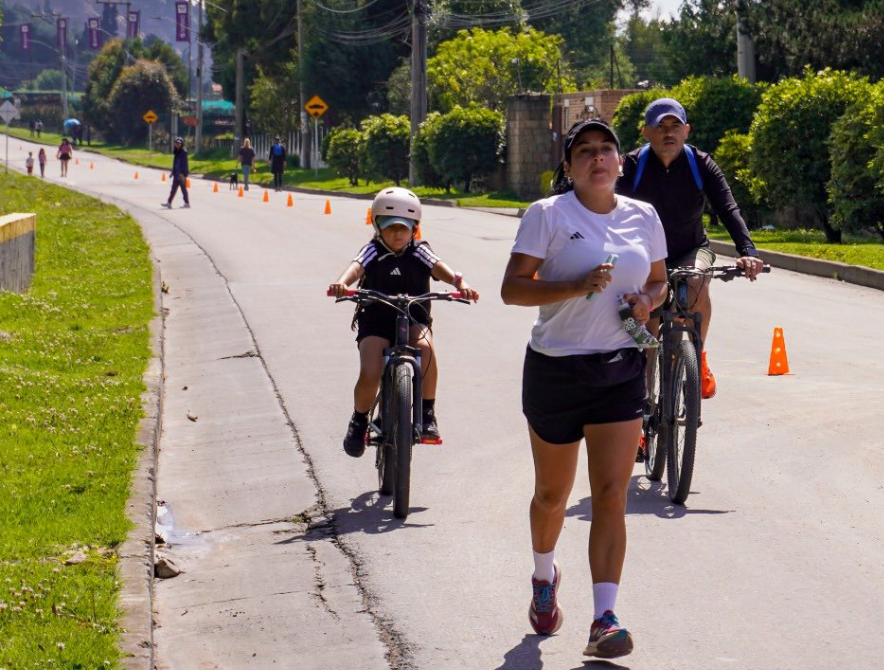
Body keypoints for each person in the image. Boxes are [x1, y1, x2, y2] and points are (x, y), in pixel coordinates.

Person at [501, 119, 668, 659]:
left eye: (607, 150)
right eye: (585, 151)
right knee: (552, 495)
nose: (598, 158)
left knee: (611, 497)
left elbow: (660, 280)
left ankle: (604, 618)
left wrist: (649, 301)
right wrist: (576, 286)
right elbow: (511, 290)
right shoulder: (547, 215)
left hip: (619, 368)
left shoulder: (644, 217)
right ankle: (544, 575)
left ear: (621, 162)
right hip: (555, 369)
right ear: (569, 167)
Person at [616, 97, 765, 399]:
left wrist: (748, 251)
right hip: (645, 255)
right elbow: (611, 210)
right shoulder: (632, 165)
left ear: (686, 130)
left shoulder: (700, 163)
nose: (668, 133)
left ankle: (697, 356)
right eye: (661, 127)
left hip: (691, 248)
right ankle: (643, 405)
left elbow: (727, 207)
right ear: (646, 132)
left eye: (675, 126)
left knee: (696, 283)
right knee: (650, 318)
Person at [328, 187, 479, 457]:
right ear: (377, 226)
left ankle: (428, 414)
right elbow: (356, 266)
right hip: (376, 319)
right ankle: (359, 420)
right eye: (390, 227)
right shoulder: (373, 250)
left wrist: (460, 283)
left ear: (415, 228)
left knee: (427, 349)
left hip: (413, 317)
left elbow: (439, 267)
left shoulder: (420, 251)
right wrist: (342, 283)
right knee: (371, 371)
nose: (398, 233)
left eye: (404, 227)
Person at [162, 137, 190, 209]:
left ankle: (187, 203)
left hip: (181, 174)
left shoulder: (183, 152)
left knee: (183, 189)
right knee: (173, 189)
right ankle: (169, 203)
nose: (177, 144)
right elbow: (175, 163)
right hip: (176, 174)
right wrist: (172, 172)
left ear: (181, 144)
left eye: (178, 143)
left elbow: (184, 164)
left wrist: (183, 173)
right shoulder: (176, 151)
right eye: (176, 143)